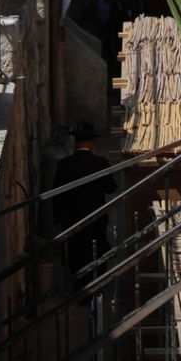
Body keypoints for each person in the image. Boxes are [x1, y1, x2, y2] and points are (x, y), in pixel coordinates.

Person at [52, 121, 117, 284]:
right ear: (92, 143)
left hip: (72, 218)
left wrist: (58, 218)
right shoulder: (101, 163)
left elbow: (56, 194)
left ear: (76, 143)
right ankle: (97, 282)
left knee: (76, 251)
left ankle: (79, 287)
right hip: (95, 216)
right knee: (97, 248)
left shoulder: (64, 165)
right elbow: (111, 188)